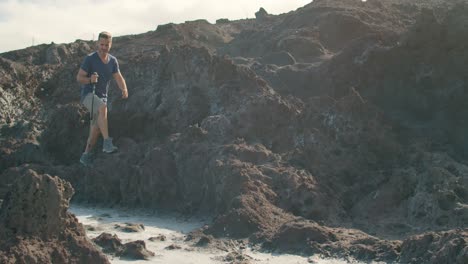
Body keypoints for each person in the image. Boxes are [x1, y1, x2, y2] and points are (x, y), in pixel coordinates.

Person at [76, 31, 128, 167]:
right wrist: (90, 79)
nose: (103, 47)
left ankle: (85, 156)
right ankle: (107, 143)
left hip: (102, 98)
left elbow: (118, 77)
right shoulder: (90, 59)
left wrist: (124, 88)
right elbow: (79, 78)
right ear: (97, 43)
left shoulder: (113, 61)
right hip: (88, 96)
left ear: (110, 45)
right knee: (102, 108)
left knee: (96, 128)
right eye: (101, 44)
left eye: (106, 45)